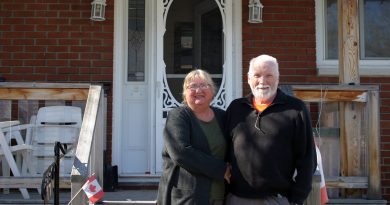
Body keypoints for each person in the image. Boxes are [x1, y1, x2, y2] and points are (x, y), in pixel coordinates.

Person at [225, 54, 317, 205]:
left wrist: (297, 198)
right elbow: (224, 151)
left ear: (278, 78)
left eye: (269, 75)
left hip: (276, 199)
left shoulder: (296, 109)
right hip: (236, 198)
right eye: (257, 75)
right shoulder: (236, 108)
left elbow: (307, 158)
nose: (262, 81)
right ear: (248, 79)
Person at [157, 69, 231, 205]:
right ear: (185, 92)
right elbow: (181, 152)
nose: (198, 90)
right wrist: (222, 169)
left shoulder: (222, 116)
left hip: (219, 194)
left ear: (212, 90)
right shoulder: (178, 116)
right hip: (189, 197)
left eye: (204, 85)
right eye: (193, 86)